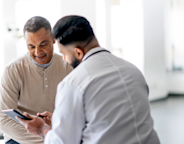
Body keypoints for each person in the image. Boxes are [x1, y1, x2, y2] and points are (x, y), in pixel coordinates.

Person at [17, 15, 160, 144]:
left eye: (64, 54)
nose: (65, 60)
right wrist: (61, 121)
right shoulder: (133, 71)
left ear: (78, 52)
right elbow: (113, 122)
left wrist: (42, 129)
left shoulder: (73, 83)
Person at [0, 16, 72, 144]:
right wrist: (45, 138)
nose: (38, 52)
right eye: (31, 46)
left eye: (43, 44)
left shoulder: (68, 67)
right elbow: (4, 121)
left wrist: (52, 136)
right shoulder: (12, 70)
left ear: (53, 39)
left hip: (55, 134)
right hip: (21, 138)